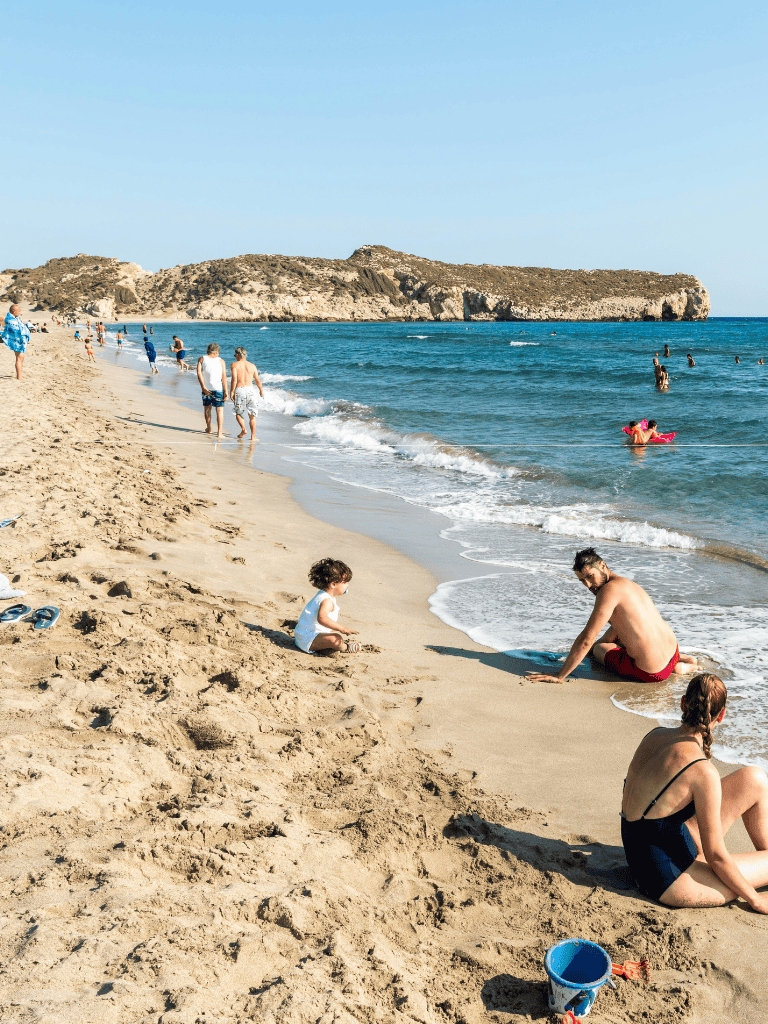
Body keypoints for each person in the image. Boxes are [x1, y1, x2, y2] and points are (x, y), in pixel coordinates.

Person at [621, 673, 768, 910]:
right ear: (722, 715)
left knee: (755, 778)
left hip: (649, 850)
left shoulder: (654, 736)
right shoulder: (701, 771)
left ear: (683, 703)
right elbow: (716, 857)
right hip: (667, 880)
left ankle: (763, 864)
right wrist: (755, 898)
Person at [526, 547, 699, 684]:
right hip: (673, 651)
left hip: (653, 673)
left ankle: (678, 669)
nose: (587, 585)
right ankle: (682, 662)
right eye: (582, 580)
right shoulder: (628, 584)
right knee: (613, 639)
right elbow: (622, 625)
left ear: (602, 565)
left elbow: (587, 639)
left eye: (590, 576)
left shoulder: (607, 591)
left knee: (598, 649)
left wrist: (560, 675)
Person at [294, 557, 360, 654]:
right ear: (333, 584)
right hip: (307, 639)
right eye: (345, 582)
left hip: (306, 636)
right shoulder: (327, 601)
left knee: (332, 630)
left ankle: (325, 649)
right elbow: (322, 618)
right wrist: (342, 629)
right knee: (337, 638)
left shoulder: (323, 594)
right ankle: (346, 647)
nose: (347, 585)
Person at [230, 346, 264, 440]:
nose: (235, 357)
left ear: (237, 355)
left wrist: (231, 392)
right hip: (251, 391)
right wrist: (261, 390)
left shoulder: (234, 365)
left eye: (235, 355)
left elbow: (234, 380)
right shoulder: (252, 365)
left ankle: (244, 429)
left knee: (238, 413)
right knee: (252, 415)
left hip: (240, 389)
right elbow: (257, 379)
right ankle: (253, 436)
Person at [196, 342, 228, 438]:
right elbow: (224, 377)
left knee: (207, 409)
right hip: (218, 389)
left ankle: (209, 429)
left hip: (206, 388)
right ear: (216, 352)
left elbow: (199, 373)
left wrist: (203, 387)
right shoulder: (221, 361)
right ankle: (219, 433)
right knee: (220, 410)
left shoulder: (202, 359)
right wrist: (226, 391)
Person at [1, 304, 31, 380]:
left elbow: (21, 327)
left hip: (20, 341)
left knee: (21, 358)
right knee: (19, 358)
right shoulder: (10, 320)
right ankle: (19, 377)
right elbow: (17, 330)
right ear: (14, 311)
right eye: (18, 311)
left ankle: (19, 375)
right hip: (16, 342)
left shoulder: (15, 318)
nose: (19, 312)